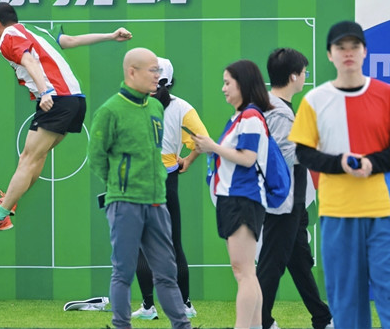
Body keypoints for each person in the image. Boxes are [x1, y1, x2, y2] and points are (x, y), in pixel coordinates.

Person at [289, 21, 390, 329]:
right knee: (346, 300)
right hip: (337, 213)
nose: (348, 53)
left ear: (364, 51)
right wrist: (339, 163)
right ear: (329, 54)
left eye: (354, 46)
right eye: (340, 47)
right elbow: (304, 152)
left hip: (384, 211)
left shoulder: (386, 95)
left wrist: (373, 163)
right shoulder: (315, 100)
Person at [0, 1, 132, 233]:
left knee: (28, 158)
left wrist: (45, 91)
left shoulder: (8, 36)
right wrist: (110, 35)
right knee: (36, 157)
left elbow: (29, 60)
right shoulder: (36, 30)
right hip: (75, 99)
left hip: (56, 98)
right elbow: (70, 40)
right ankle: (8, 202)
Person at [89, 47, 192, 329]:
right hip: (125, 203)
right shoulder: (109, 111)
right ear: (132, 72)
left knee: (166, 272)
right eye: (152, 71)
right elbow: (97, 157)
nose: (158, 76)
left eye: (158, 71)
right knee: (123, 273)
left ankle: (182, 325)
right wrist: (120, 186)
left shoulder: (157, 108)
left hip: (157, 202)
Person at [192, 59, 273, 329]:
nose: (223, 88)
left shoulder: (249, 117)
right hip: (235, 199)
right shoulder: (241, 117)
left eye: (228, 83)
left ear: (243, 84)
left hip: (243, 198)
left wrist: (212, 147)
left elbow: (248, 158)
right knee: (246, 271)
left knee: (244, 271)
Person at [256, 48, 333, 329]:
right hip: (283, 201)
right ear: (293, 76)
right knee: (272, 264)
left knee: (299, 261)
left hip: (292, 199)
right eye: (303, 73)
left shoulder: (275, 107)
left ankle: (322, 318)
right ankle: (260, 320)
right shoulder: (279, 112)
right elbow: (281, 156)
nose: (305, 77)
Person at [131, 57, 208, 321]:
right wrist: (188, 160)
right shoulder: (182, 107)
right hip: (168, 179)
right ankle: (185, 305)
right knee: (174, 244)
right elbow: (203, 140)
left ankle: (148, 306)